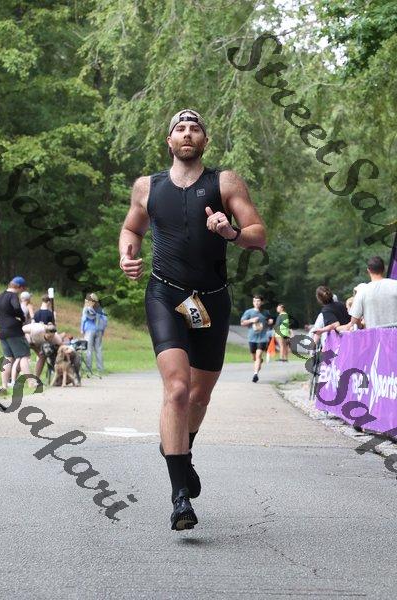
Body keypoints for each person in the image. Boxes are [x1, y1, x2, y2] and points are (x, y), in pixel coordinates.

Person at [118, 109, 266, 530]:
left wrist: (231, 232)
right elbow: (132, 229)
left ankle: (181, 450)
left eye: (195, 129)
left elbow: (258, 234)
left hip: (212, 300)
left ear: (204, 140)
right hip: (165, 294)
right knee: (178, 389)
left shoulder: (225, 182)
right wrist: (127, 255)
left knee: (199, 397)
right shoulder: (147, 187)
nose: (187, 134)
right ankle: (180, 495)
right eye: (180, 129)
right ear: (169, 141)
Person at [0, 276, 32, 393]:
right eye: (23, 289)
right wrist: (22, 317)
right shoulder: (13, 296)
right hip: (14, 330)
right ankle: (31, 383)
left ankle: (4, 386)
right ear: (19, 287)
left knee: (8, 357)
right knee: (23, 355)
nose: (22, 291)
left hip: (2, 331)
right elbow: (17, 307)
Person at [349, 256, 397, 328]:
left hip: (374, 335)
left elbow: (354, 322)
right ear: (384, 269)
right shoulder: (395, 285)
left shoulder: (362, 291)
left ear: (368, 271)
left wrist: (361, 326)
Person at [240, 294, 273, 382]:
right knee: (254, 358)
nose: (256, 303)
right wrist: (251, 320)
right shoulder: (249, 312)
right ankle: (259, 362)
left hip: (263, 338)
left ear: (262, 302)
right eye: (255, 301)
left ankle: (255, 374)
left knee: (258, 356)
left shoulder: (266, 312)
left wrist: (270, 321)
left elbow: (270, 320)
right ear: (253, 302)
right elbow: (242, 323)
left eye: (258, 301)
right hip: (252, 338)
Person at [80, 293, 107, 374]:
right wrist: (103, 330)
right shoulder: (100, 308)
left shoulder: (86, 308)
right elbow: (105, 320)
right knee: (98, 349)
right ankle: (100, 368)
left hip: (89, 330)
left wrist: (82, 329)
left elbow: (84, 319)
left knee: (89, 349)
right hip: (99, 330)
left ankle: (88, 368)